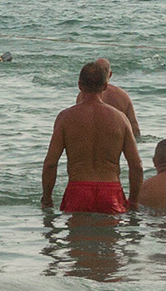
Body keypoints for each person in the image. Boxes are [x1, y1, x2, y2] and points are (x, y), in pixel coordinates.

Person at [42, 60, 142, 213]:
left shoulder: (65, 117)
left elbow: (50, 163)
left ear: (80, 85)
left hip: (77, 190)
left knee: (77, 236)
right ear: (105, 86)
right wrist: (134, 201)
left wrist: (47, 198)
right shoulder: (120, 119)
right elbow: (136, 166)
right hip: (110, 191)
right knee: (110, 236)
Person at [94, 58, 141, 140]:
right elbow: (134, 127)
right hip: (116, 142)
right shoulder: (123, 96)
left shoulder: (84, 95)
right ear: (110, 74)